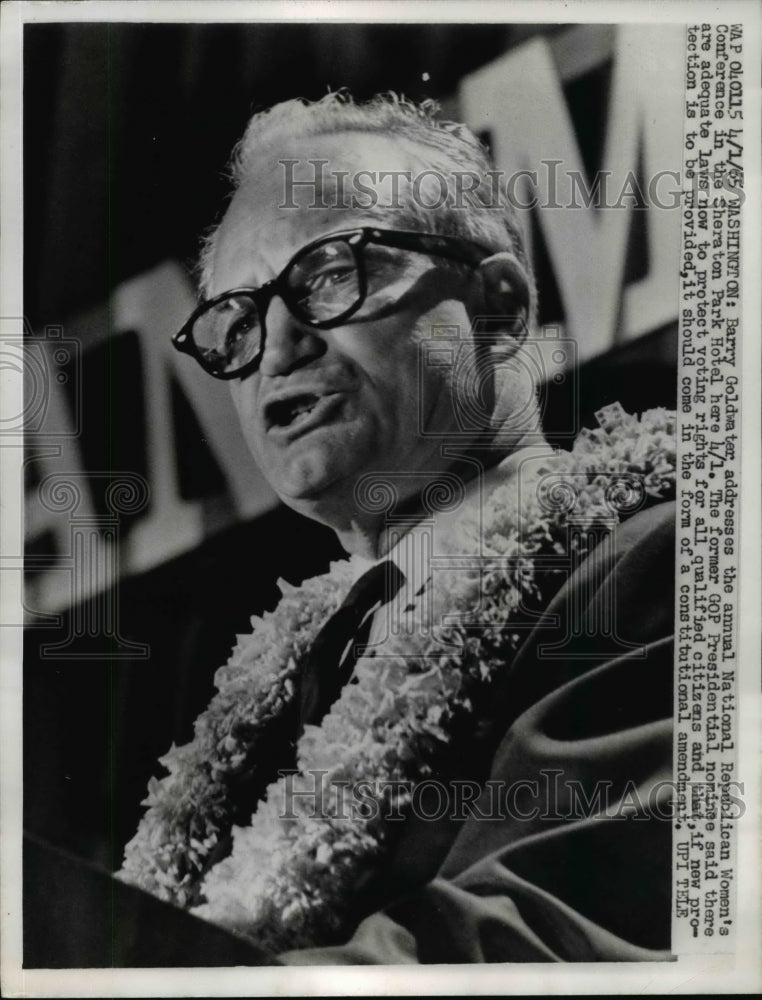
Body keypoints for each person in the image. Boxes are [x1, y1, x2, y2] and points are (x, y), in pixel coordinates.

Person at [118, 92, 677, 964]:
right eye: (236, 317)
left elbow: (569, 935)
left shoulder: (667, 559)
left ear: (497, 307)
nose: (276, 346)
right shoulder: (292, 683)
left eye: (330, 273)